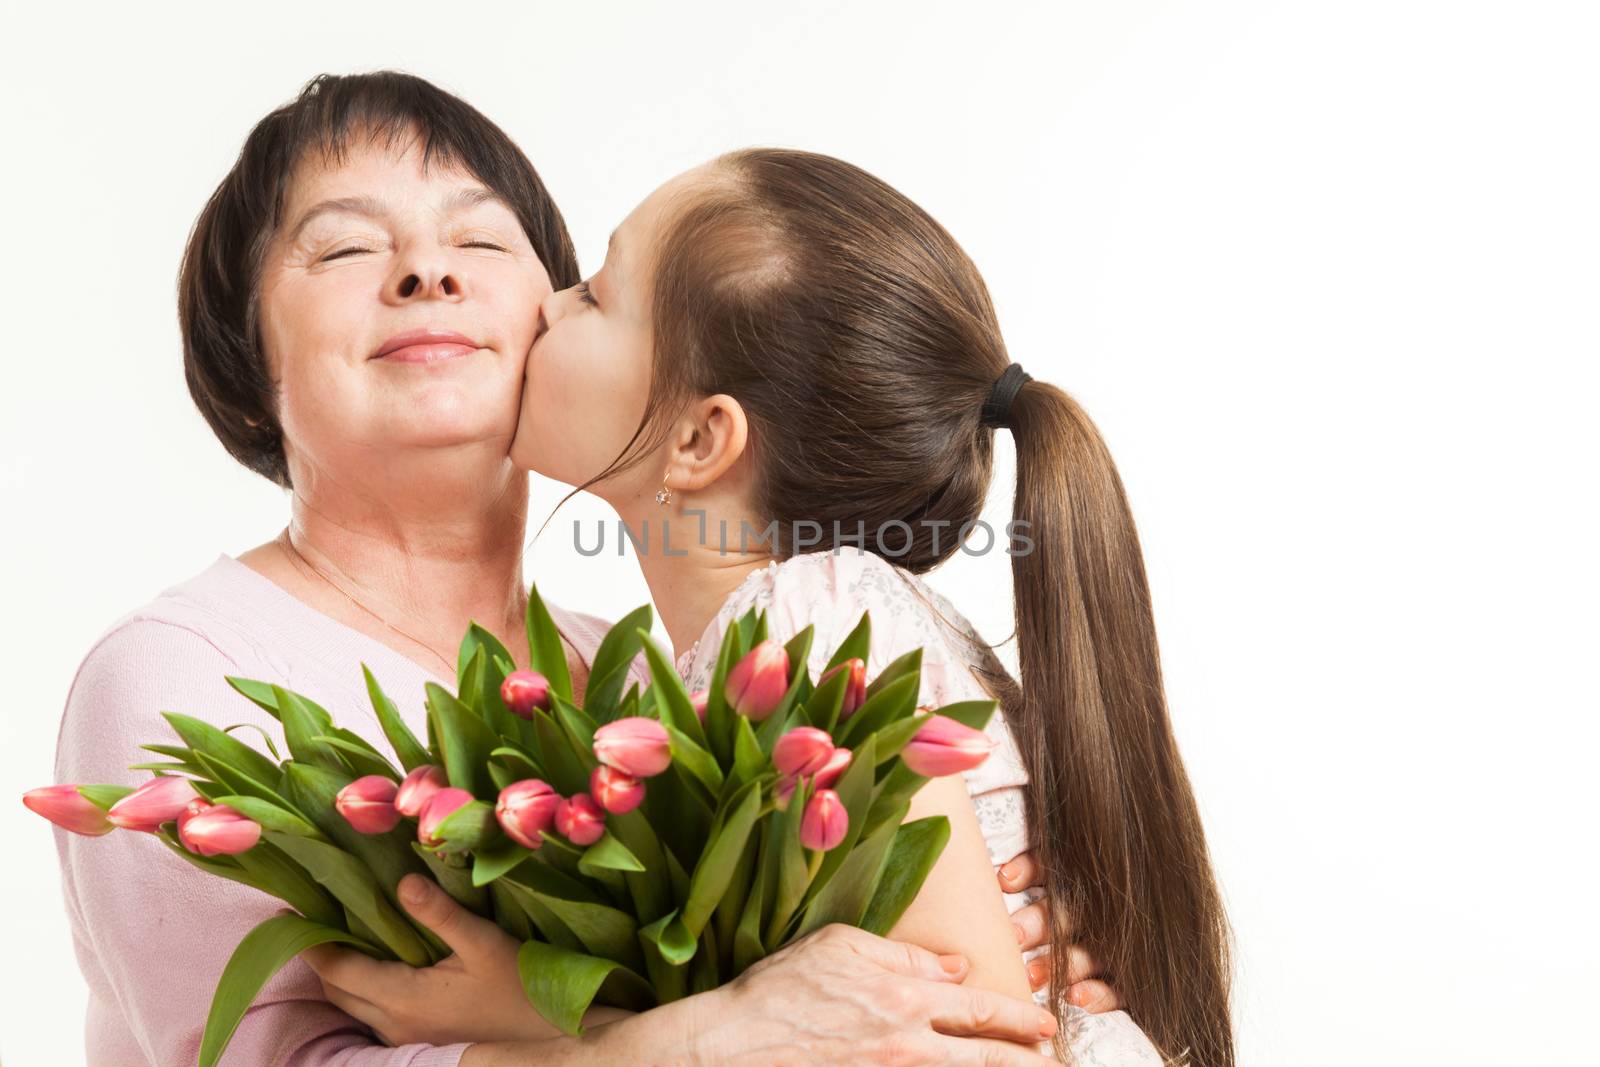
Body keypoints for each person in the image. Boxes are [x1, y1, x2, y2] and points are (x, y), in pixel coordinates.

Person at [50, 72, 1107, 1066]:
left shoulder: (668, 680)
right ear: (245, 370)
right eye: (341, 251)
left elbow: (904, 1017)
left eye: (480, 238)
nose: (428, 271)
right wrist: (707, 1035)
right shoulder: (178, 671)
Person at [309, 149, 1232, 1064]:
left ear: (701, 437)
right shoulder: (736, 650)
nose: (547, 305)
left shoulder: (814, 625)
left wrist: (533, 1015)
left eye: (595, 294)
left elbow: (981, 1050)